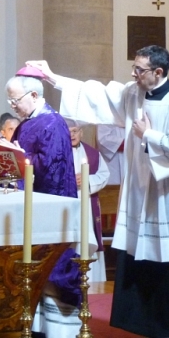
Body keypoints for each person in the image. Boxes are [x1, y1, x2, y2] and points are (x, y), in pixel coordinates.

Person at [27, 45, 169, 338]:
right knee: (143, 254)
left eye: (139, 69)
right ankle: (142, 320)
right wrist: (53, 78)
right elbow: (98, 95)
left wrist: (147, 134)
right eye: (134, 68)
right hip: (142, 191)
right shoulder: (133, 93)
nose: (133, 74)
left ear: (158, 72)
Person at [5, 69, 80, 338]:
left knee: (51, 264)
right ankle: (35, 326)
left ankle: (59, 331)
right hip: (31, 201)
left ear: (34, 95)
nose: (13, 107)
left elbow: (51, 167)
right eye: (9, 102)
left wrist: (17, 157)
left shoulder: (52, 123)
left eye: (15, 101)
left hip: (51, 203)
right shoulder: (29, 122)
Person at [66, 119, 110, 282]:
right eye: (69, 131)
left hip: (86, 204)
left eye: (75, 131)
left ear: (81, 133)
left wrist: (87, 180)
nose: (72, 135)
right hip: (67, 205)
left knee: (87, 239)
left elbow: (104, 175)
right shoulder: (57, 153)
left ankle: (92, 282)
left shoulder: (92, 153)